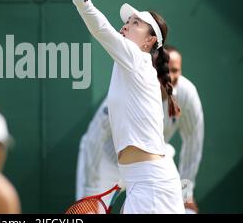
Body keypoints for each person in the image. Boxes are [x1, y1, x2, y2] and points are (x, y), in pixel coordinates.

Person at [55, 0, 185, 213]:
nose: (126, 25)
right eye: (127, 21)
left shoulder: (137, 58)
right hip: (141, 182)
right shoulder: (133, 66)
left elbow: (101, 30)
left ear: (148, 42)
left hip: (152, 187)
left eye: (136, 23)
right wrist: (127, 178)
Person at [76, 45, 204, 213]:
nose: (170, 76)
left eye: (175, 70)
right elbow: (95, 137)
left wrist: (186, 193)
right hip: (108, 160)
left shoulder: (187, 94)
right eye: (164, 70)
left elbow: (193, 143)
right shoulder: (129, 88)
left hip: (153, 163)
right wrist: (90, 193)